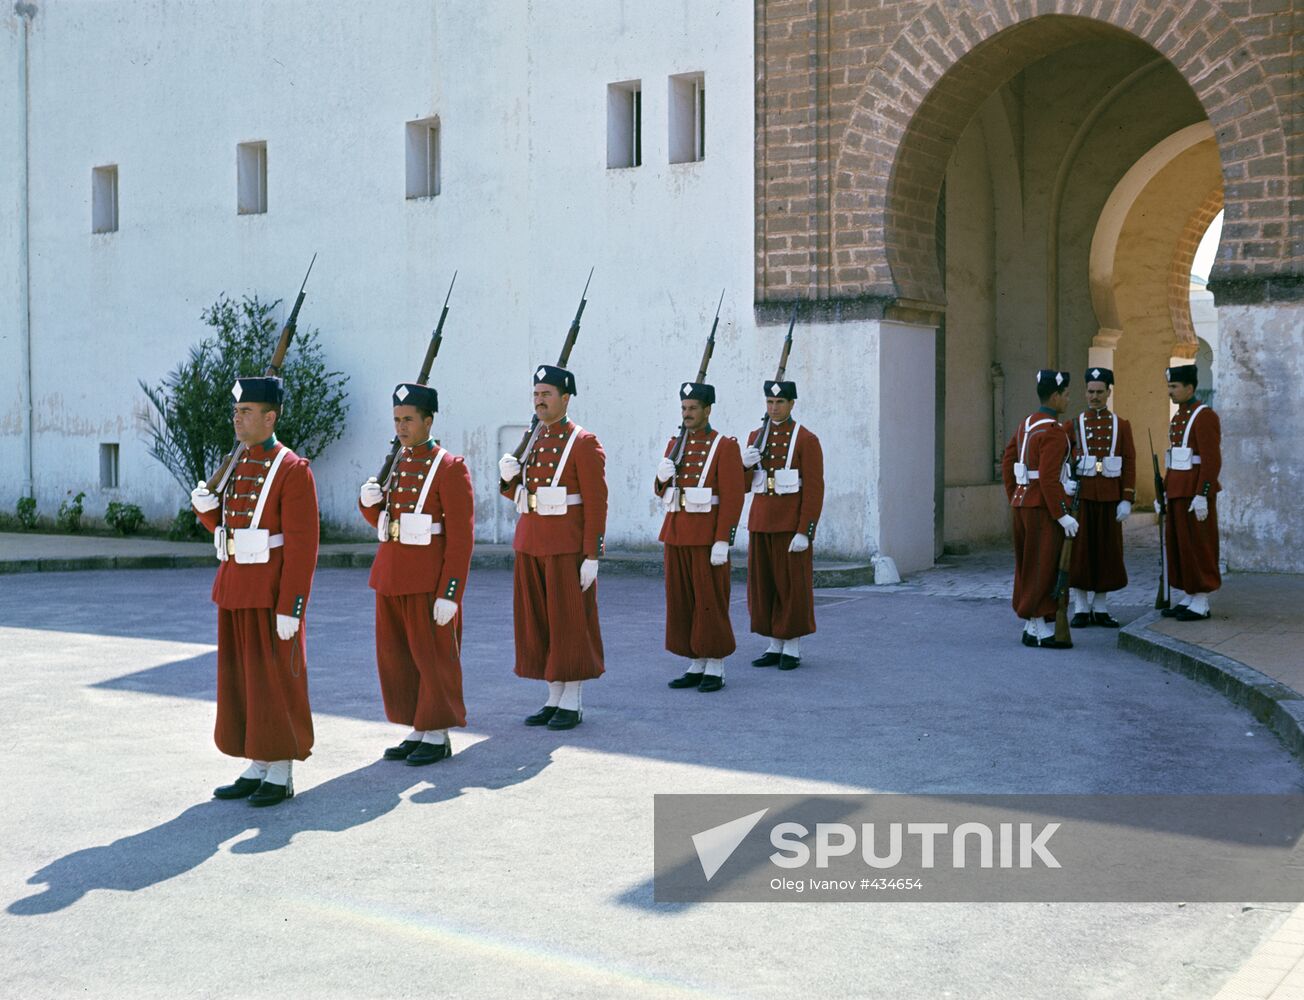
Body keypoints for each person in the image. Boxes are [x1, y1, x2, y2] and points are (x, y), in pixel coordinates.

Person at [190, 376, 319, 806]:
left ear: (270, 417)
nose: (237, 419)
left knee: (274, 680)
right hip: (234, 585)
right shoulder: (238, 464)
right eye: (236, 412)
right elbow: (232, 528)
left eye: (246, 412)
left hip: (269, 591)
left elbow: (303, 547)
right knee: (243, 682)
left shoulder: (292, 470)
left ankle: (280, 769)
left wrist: (292, 606)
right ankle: (257, 761)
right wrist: (209, 514)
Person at [358, 382, 474, 765]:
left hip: (427, 579)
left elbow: (461, 538)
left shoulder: (450, 467)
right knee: (399, 659)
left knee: (432, 657)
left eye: (408, 419)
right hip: (391, 574)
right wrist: (369, 504)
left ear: (428, 420)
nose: (401, 427)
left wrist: (450, 592)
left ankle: (437, 734)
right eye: (396, 420)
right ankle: (419, 727)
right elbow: (387, 522)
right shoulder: (398, 462)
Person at [498, 365, 607, 729]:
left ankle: (573, 699)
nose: (539, 401)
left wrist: (592, 554)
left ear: (565, 398)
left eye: (546, 394)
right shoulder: (534, 439)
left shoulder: (584, 442)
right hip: (531, 540)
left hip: (566, 546)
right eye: (536, 394)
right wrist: (508, 478)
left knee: (569, 622)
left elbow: (596, 502)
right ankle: (553, 695)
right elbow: (522, 495)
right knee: (540, 622)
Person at [653, 381, 745, 692]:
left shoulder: (724, 446)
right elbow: (663, 490)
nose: (687, 414)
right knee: (682, 601)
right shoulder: (674, 444)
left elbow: (733, 498)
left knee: (709, 600)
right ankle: (695, 661)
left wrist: (724, 539)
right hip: (677, 531)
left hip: (707, 536)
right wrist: (660, 479)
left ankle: (715, 664)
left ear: (707, 410)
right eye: (684, 408)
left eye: (693, 408)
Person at [740, 379, 824, 670]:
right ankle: (773, 644)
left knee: (792, 586)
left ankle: (792, 646)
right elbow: (743, 487)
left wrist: (805, 531)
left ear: (791, 404)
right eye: (769, 403)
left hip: (790, 524)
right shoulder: (755, 436)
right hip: (761, 521)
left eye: (780, 403)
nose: (774, 408)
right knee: (764, 586)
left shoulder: (806, 439)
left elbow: (814, 489)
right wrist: (744, 465)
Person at [1000, 369, 1077, 649]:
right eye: (1066, 395)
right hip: (1043, 509)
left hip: (1023, 503)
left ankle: (1032, 625)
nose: (1068, 400)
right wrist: (1062, 514)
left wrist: (1016, 495)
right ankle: (1039, 625)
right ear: (1055, 396)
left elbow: (1008, 460)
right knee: (1044, 566)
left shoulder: (1026, 424)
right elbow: (1047, 477)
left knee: (1027, 564)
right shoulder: (1054, 432)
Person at [1064, 367, 1136, 628]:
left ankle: (1101, 607)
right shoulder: (1073, 425)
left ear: (1109, 392)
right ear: (1085, 392)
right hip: (1081, 499)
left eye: (1099, 392)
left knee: (1107, 552)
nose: (1094, 397)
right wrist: (1066, 483)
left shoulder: (1121, 425)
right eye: (1090, 392)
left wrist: (1127, 497)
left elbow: (1129, 461)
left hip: (1109, 497)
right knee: (1081, 552)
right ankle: (1081, 607)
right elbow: (1061, 458)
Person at [1159, 363, 1221, 621]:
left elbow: (1211, 460)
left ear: (1190, 387)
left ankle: (1202, 599)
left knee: (1199, 545)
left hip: (1193, 491)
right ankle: (1189, 593)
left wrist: (1202, 493)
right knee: (1180, 545)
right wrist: (1162, 491)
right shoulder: (1180, 415)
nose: (1170, 392)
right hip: (1177, 489)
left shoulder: (1204, 415)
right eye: (1169, 386)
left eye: (1174, 387)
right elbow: (1175, 458)